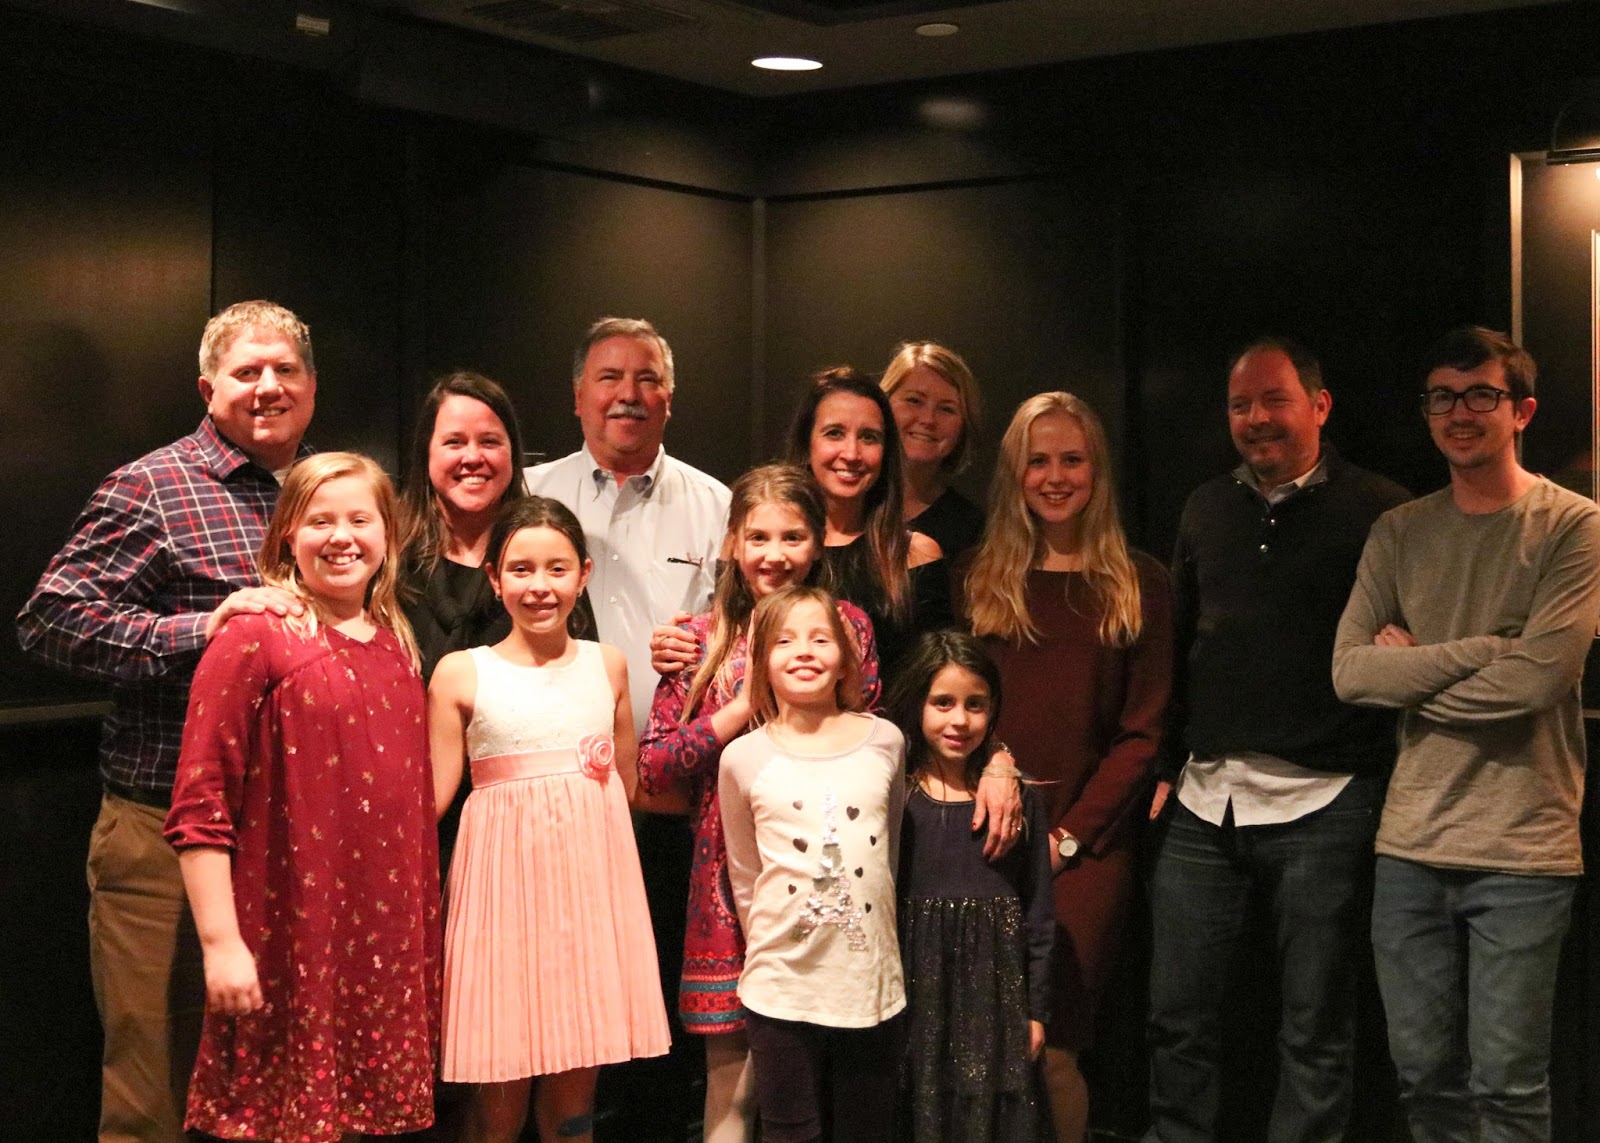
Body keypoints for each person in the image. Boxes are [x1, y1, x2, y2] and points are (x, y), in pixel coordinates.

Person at [17, 299, 316, 1143]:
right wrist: (199, 630)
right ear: (208, 387)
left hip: (289, 839)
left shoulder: (328, 489)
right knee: (154, 1091)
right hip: (161, 836)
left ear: (312, 385)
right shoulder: (152, 487)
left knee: (275, 1093)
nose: (268, 385)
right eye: (247, 371)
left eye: (285, 369)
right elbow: (49, 620)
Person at [1333, 326, 1600, 1143]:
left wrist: (1412, 674)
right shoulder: (1399, 530)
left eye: (1482, 394)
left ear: (1521, 411)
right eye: (1443, 397)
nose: (1460, 412)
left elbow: (1538, 681)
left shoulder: (1573, 525)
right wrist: (1488, 648)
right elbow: (1351, 672)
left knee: (1508, 1084)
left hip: (1524, 848)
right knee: (1422, 1076)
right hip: (1411, 842)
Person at [1144, 339, 1409, 1143]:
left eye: (1274, 399)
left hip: (1325, 800)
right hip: (1205, 799)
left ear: (1319, 405)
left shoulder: (1381, 510)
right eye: (1240, 404)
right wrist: (1166, 760)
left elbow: (1406, 640)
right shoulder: (1204, 506)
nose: (1255, 418)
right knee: (1177, 1017)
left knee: (1315, 1028)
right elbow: (1180, 641)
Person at [163, 452, 440, 1142]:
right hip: (290, 939)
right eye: (320, 520)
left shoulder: (397, 645)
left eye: (359, 519)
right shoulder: (255, 636)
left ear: (388, 535)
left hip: (380, 946)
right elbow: (200, 802)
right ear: (288, 532)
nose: (341, 536)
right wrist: (221, 943)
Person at [523, 316, 729, 1138]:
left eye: (647, 379)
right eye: (609, 378)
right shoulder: (530, 494)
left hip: (669, 800)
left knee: (659, 1000)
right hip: (554, 800)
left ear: (670, 398)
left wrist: (707, 643)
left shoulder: (716, 504)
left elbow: (747, 633)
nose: (628, 395)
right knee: (563, 998)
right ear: (578, 395)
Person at [637, 464, 881, 1142]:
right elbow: (654, 767)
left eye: (792, 537)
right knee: (730, 1079)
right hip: (724, 878)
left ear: (819, 541)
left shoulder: (847, 628)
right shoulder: (697, 638)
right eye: (759, 537)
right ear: (732, 544)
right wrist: (742, 707)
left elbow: (872, 740)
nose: (775, 555)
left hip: (820, 874)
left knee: (813, 1076)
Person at [959, 391, 1172, 1143]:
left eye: (1072, 460)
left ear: (1097, 470)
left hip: (1087, 849)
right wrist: (992, 769)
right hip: (983, 830)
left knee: (1051, 1044)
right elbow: (955, 708)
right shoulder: (977, 577)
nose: (1055, 477)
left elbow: (1142, 735)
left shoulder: (1139, 583)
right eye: (1037, 461)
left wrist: (1066, 839)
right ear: (1013, 474)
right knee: (979, 1041)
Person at [428, 496, 671, 1143]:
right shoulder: (461, 672)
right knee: (497, 1101)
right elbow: (431, 797)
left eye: (557, 568)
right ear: (494, 578)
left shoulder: (607, 663)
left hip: (590, 903)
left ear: (583, 574)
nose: (540, 585)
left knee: (574, 1099)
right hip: (501, 905)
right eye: (521, 569)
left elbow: (631, 785)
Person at [718, 584, 908, 1143]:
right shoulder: (742, 757)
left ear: (846, 658)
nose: (803, 651)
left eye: (820, 639)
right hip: (781, 984)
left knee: (865, 1129)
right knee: (789, 1130)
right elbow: (745, 874)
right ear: (761, 663)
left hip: (868, 981)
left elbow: (890, 853)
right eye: (784, 641)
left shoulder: (885, 741)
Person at [887, 631, 1054, 1143]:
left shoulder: (1019, 800)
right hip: (915, 996)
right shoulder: (896, 795)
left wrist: (1036, 1011)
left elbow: (1039, 912)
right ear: (917, 703)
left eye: (975, 704)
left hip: (995, 1000)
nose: (959, 720)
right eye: (943, 702)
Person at [785, 366, 945, 679]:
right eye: (834, 433)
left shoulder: (915, 554)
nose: (852, 453)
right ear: (807, 445)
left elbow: (938, 678)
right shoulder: (766, 549)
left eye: (869, 437)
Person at [399, 370, 528, 682]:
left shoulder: (545, 553)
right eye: (454, 442)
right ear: (426, 452)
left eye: (489, 442)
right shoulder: (387, 555)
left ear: (513, 452)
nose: (472, 457)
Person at [881, 341, 986, 560]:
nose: (928, 419)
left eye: (946, 409)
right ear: (882, 404)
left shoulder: (972, 531)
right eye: (914, 400)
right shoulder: (843, 503)